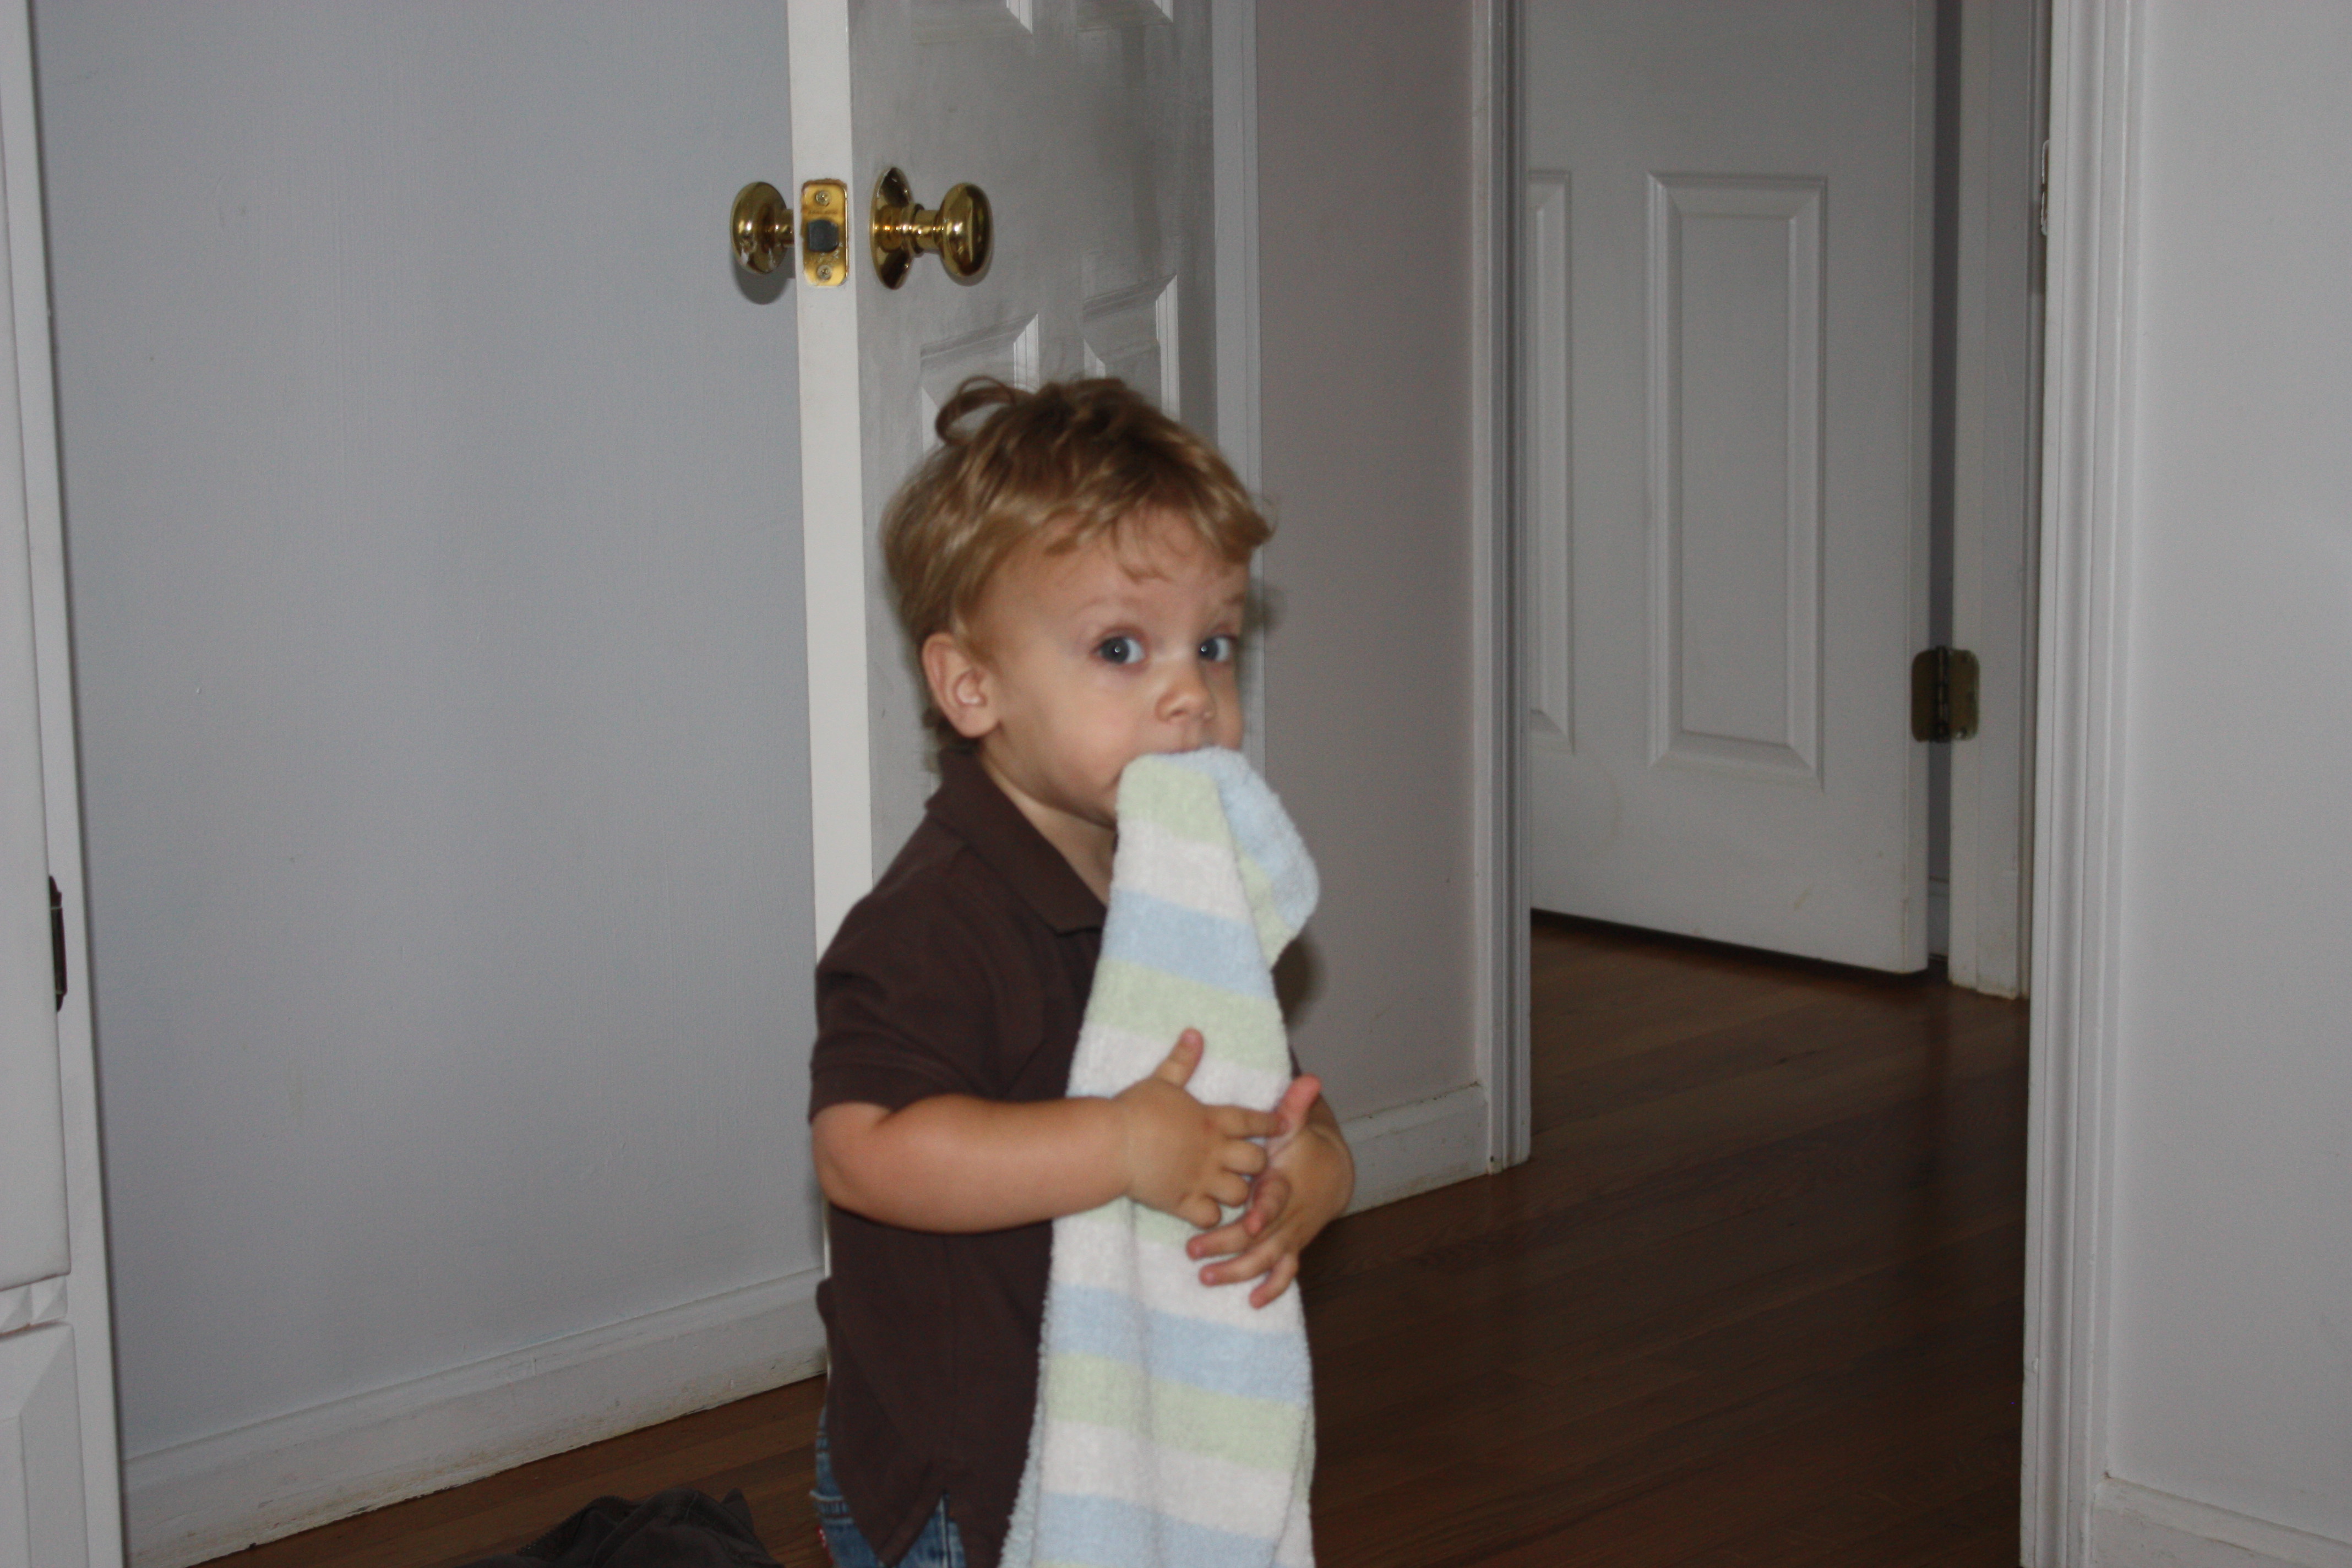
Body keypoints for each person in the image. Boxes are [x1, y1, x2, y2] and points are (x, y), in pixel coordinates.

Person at [807, 378, 1355, 1568]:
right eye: (1120, 648)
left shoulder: (1184, 887)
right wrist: (1119, 1144)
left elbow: (1259, 1087)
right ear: (972, 686)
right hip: (963, 1481)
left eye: (1214, 645)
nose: (1190, 693)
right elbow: (862, 1149)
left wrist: (1314, 1166)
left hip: (1129, 1451)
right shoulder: (933, 921)